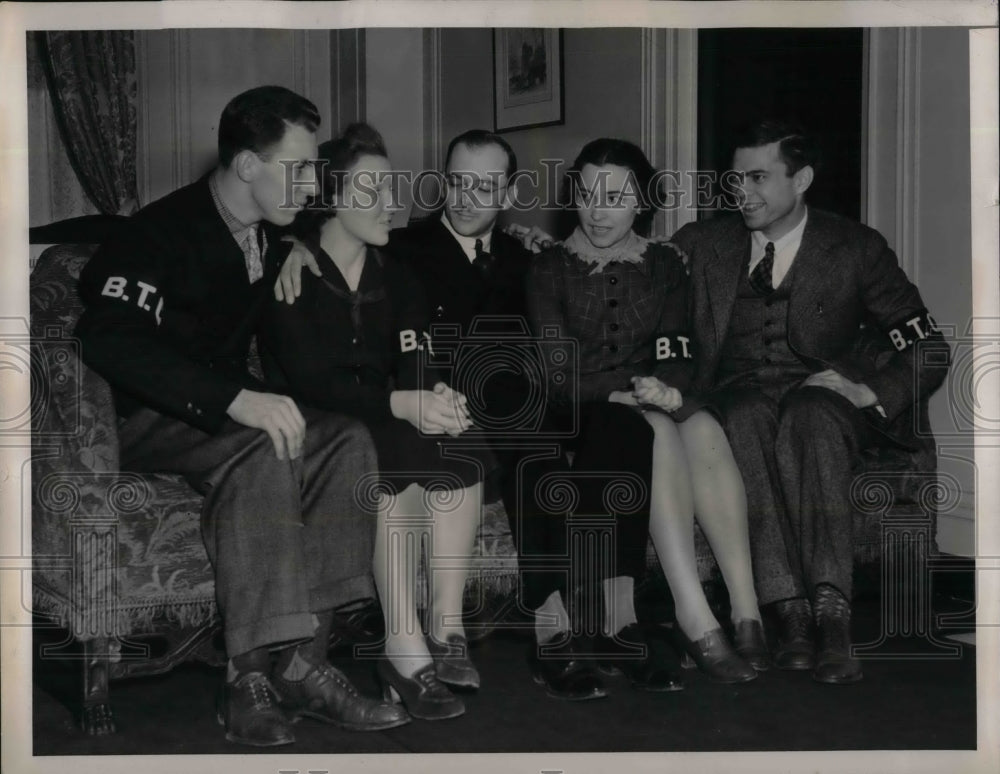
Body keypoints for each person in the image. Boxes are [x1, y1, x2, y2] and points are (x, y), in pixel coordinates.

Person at [75, 86, 409, 747]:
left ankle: (305, 664)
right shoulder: (155, 233)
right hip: (146, 415)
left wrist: (299, 247)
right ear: (248, 166)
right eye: (299, 167)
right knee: (262, 442)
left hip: (217, 417)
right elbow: (106, 337)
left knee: (345, 439)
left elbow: (297, 240)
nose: (312, 183)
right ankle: (246, 679)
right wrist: (233, 399)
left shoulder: (270, 226)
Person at [275, 130, 613, 701]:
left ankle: (525, 621)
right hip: (410, 399)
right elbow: (329, 228)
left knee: (537, 438)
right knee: (487, 440)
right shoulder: (402, 246)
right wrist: (293, 240)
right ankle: (423, 639)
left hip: (486, 404)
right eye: (457, 182)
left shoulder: (524, 255)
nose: (466, 197)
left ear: (508, 192)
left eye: (484, 186)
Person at [671, 119, 950, 684]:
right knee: (743, 414)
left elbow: (929, 345)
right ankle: (789, 611)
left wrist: (871, 390)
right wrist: (545, 247)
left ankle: (832, 616)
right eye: (734, 178)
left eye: (757, 177)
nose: (741, 192)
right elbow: (635, 273)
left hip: (823, 399)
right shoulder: (701, 245)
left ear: (801, 179)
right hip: (737, 396)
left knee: (813, 414)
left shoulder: (855, 248)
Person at [262, 123, 496, 721]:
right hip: (312, 426)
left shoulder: (397, 274)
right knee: (384, 436)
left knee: (457, 434)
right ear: (331, 199)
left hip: (380, 416)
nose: (391, 202)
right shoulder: (292, 271)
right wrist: (401, 404)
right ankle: (402, 643)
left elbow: (417, 357)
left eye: (392, 188)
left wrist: (436, 395)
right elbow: (308, 378)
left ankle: (445, 630)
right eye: (370, 190)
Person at [527, 138, 763, 686]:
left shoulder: (664, 263)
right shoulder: (549, 267)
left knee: (700, 423)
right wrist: (634, 393)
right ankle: (693, 614)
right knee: (654, 424)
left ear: (641, 201)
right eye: (586, 193)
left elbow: (676, 347)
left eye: (614, 195)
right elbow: (555, 369)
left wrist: (669, 387)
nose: (598, 208)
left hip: (646, 400)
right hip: (586, 413)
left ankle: (747, 611)